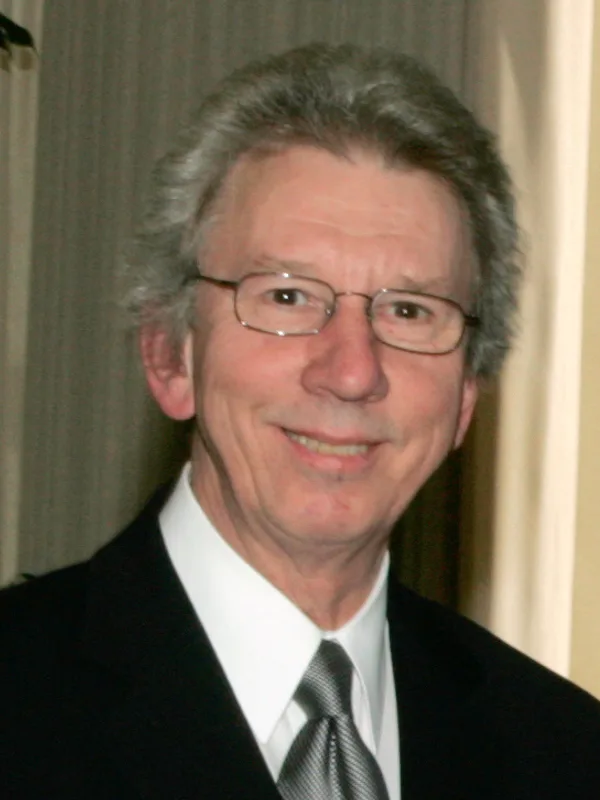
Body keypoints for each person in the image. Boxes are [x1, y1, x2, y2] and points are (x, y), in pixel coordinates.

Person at [2, 43, 599, 800]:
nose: (352, 371)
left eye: (410, 311)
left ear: (465, 400)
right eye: (286, 297)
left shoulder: (566, 754)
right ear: (169, 355)